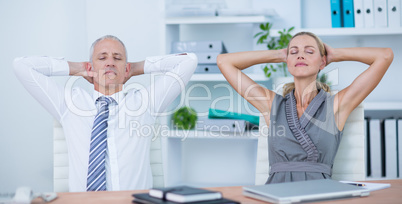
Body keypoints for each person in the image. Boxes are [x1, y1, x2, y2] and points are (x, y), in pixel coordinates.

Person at [14, 35, 197, 191]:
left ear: (126, 68)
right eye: (102, 58)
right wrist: (77, 68)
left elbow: (189, 61)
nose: (110, 62)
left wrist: (136, 68)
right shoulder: (70, 103)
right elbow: (21, 66)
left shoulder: (145, 102)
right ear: (90, 67)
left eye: (117, 58)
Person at [217, 31, 393, 184]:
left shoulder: (336, 106)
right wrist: (279, 54)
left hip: (321, 194)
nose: (300, 56)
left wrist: (336, 54)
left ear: (322, 62)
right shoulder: (272, 104)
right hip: (276, 194)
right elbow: (224, 61)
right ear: (287, 61)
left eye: (309, 51)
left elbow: (385, 56)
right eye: (294, 52)